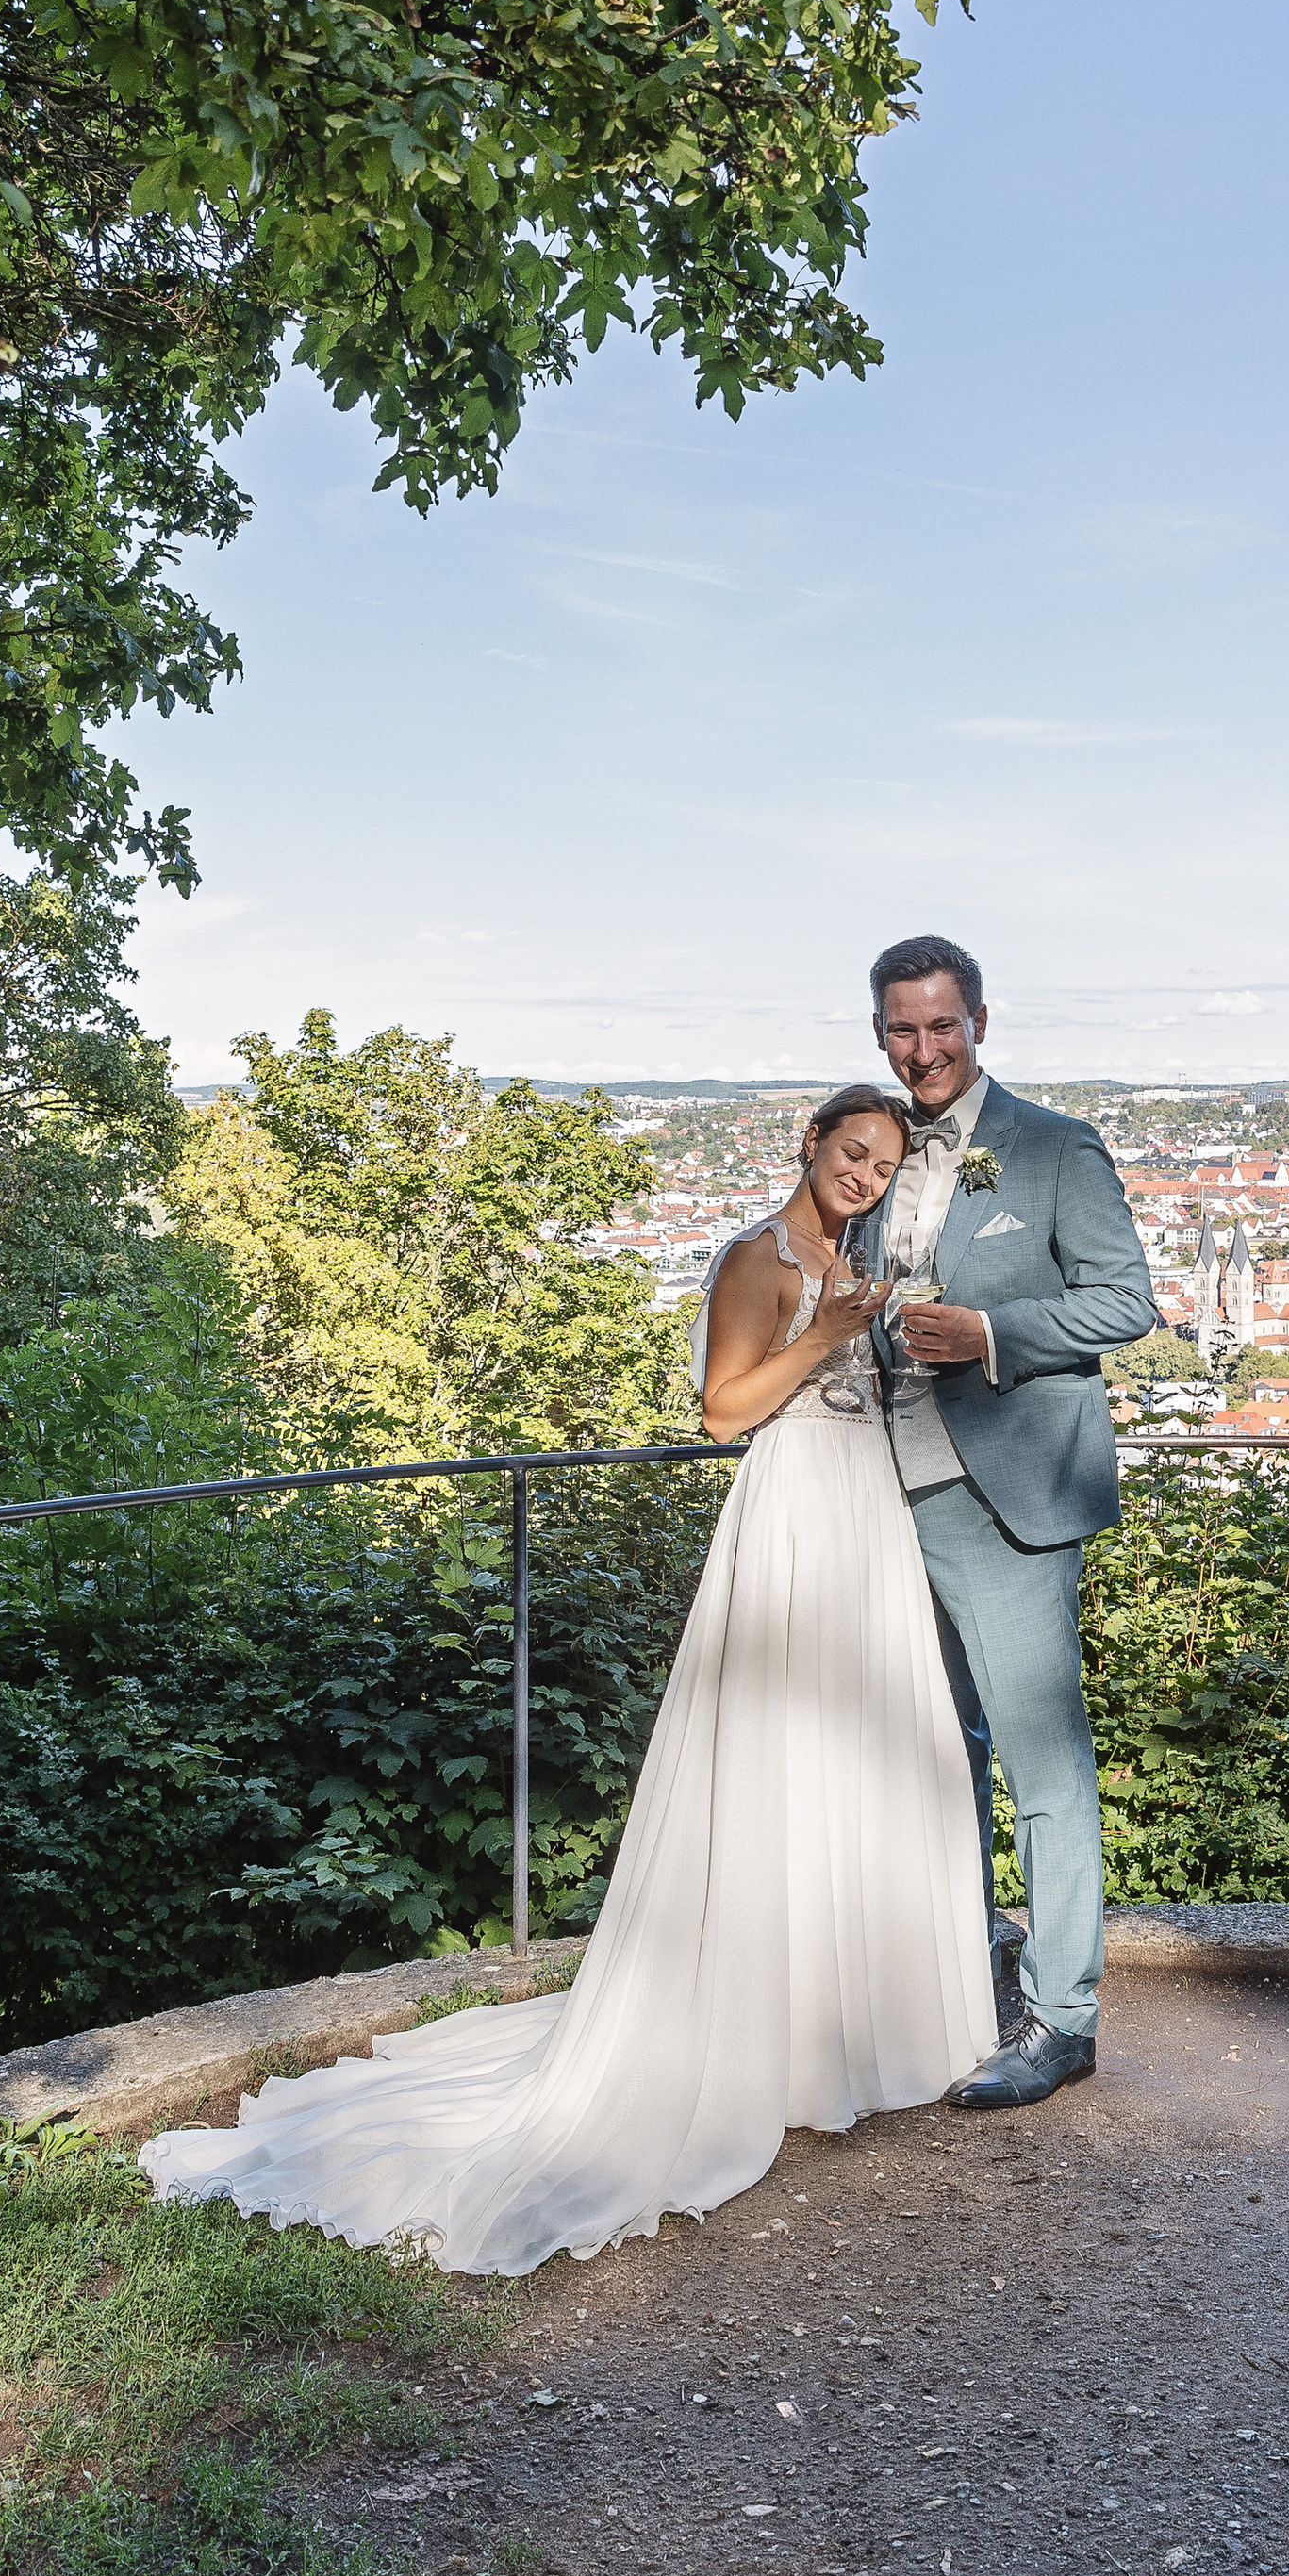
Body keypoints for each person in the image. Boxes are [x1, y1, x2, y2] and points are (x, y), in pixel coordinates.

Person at [139, 1083, 995, 2272]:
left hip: (865, 1522)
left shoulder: (851, 1259)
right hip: (794, 1514)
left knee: (865, 1745)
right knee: (773, 1757)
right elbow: (719, 1411)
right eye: (851, 1151)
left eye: (882, 1161)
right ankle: (764, 2032)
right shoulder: (759, 1256)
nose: (863, 1172)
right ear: (809, 1143)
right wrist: (826, 1334)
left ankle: (845, 2027)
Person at [856, 933, 1158, 2109]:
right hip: (885, 1495)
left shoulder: (1052, 1146)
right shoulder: (875, 1150)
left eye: (942, 1026)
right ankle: (964, 1964)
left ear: (981, 1020)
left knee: (1043, 1766)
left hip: (1013, 1498)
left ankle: (1064, 2016)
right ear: (879, 1032)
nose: (923, 1049)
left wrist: (987, 1335)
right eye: (902, 1029)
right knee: (936, 1754)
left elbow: (1125, 1298)